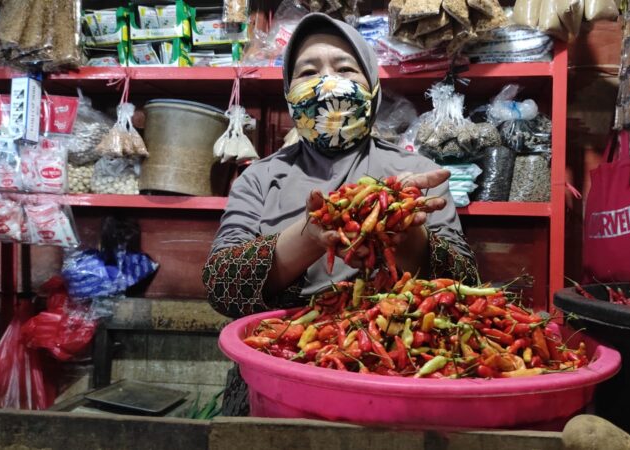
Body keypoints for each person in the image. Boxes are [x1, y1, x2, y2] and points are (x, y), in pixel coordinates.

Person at [202, 12, 478, 415]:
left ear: (372, 88)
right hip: (283, 369)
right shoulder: (259, 178)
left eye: (345, 68)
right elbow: (220, 285)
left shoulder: (416, 174)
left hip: (393, 370)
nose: (327, 81)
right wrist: (311, 235)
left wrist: (406, 235)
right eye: (308, 71)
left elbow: (465, 284)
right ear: (288, 91)